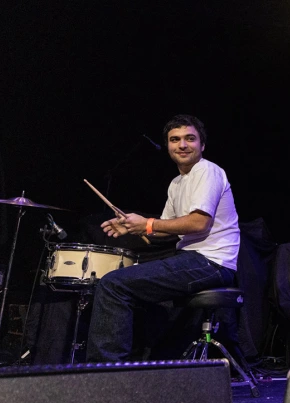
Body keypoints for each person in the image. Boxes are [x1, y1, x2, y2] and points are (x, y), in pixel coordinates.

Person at [86, 114, 240, 362]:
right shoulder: (177, 182)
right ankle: (141, 364)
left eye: (190, 139)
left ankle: (106, 372)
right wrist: (133, 228)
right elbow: (169, 228)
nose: (182, 145)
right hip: (192, 259)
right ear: (168, 146)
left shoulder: (207, 171)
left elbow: (199, 222)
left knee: (114, 284)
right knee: (126, 285)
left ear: (202, 145)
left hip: (211, 262)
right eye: (175, 139)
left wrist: (147, 223)